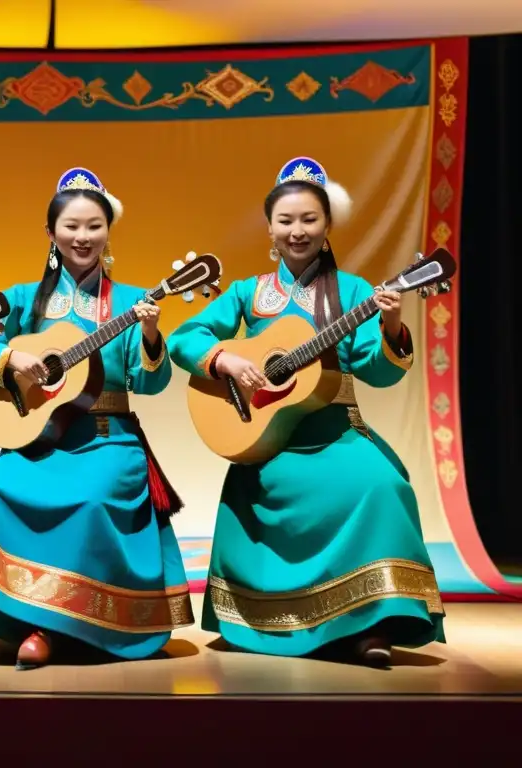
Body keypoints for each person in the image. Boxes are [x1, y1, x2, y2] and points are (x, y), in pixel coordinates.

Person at [168, 156, 445, 666]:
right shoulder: (247, 292)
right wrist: (225, 358)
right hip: (268, 436)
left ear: (327, 226)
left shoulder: (355, 292)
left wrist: (391, 325)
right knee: (256, 486)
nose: (298, 231)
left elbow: (377, 370)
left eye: (309, 219)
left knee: (381, 487)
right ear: (270, 227)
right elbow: (186, 338)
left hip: (335, 431)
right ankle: (261, 619)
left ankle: (370, 625)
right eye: (286, 220)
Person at [0, 167, 193, 670]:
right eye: (71, 227)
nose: (83, 238)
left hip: (109, 440)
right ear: (50, 234)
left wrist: (149, 336)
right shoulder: (22, 300)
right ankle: (26, 618)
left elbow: (148, 383)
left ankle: (63, 627)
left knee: (90, 500)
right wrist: (11, 361)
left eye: (94, 227)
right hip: (39, 441)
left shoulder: (129, 302)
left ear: (109, 232)